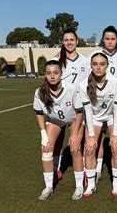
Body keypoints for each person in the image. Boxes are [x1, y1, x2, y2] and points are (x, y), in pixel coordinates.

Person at [32, 60, 84, 201]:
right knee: (46, 148)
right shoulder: (40, 92)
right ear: (45, 75)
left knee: (75, 148)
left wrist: (74, 134)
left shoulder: (71, 88)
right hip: (55, 121)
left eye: (55, 73)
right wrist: (43, 134)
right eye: (48, 73)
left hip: (74, 120)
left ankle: (79, 185)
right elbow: (39, 113)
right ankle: (48, 186)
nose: (52, 76)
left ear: (61, 73)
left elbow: (79, 111)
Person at [79, 53, 117, 197]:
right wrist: (91, 136)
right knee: (89, 148)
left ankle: (116, 183)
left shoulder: (116, 83)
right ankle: (91, 184)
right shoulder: (83, 84)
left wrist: (115, 135)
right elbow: (87, 111)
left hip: (112, 116)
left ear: (107, 66)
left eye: (102, 64)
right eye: (95, 64)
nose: (98, 67)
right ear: (91, 66)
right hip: (95, 117)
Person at [89, 26, 117, 183]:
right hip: (98, 104)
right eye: (107, 38)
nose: (110, 41)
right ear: (103, 39)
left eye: (113, 39)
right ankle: (97, 170)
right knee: (99, 137)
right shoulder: (94, 55)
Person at [52, 29, 90, 180]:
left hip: (78, 106)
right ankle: (56, 168)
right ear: (62, 42)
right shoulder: (56, 60)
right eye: (66, 40)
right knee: (57, 139)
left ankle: (86, 170)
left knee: (79, 140)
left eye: (71, 40)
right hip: (59, 105)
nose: (69, 42)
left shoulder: (85, 61)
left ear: (77, 41)